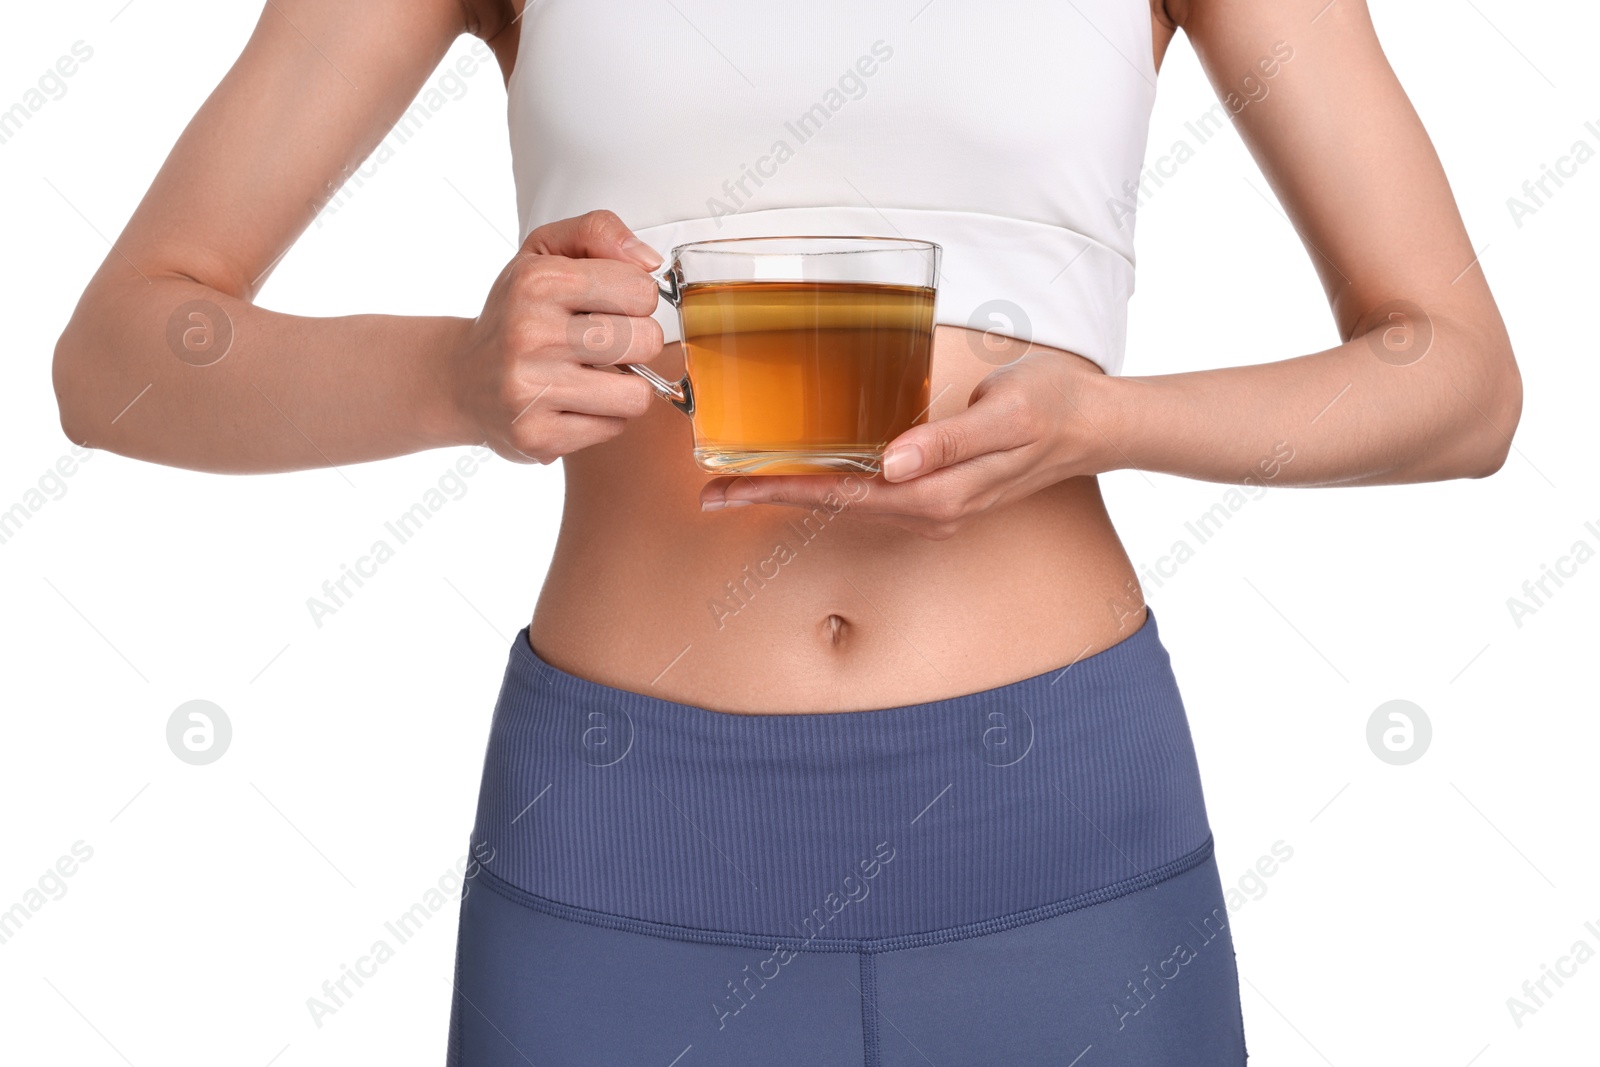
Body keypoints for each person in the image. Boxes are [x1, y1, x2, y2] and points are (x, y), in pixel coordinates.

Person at [51, 0, 1521, 1063]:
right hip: (629, 835)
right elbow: (118, 354)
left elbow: (1459, 384)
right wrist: (449, 373)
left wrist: (1106, 421)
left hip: (1057, 823)